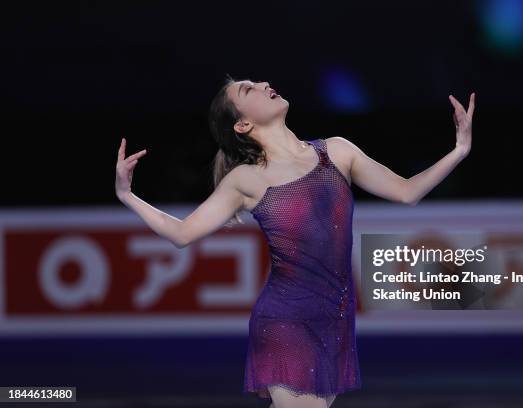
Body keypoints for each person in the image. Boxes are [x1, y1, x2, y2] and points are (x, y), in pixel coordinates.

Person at [115, 75, 475, 408]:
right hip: (285, 322)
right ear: (242, 125)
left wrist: (459, 150)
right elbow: (182, 233)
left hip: (334, 323)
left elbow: (406, 191)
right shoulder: (246, 180)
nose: (263, 83)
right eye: (248, 89)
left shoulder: (337, 152)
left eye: (257, 81)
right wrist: (128, 195)